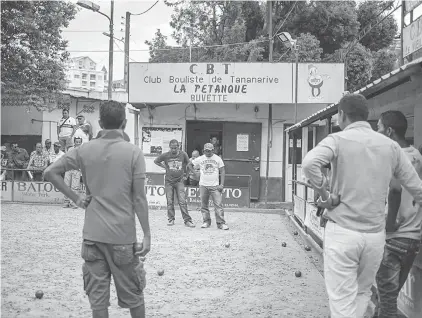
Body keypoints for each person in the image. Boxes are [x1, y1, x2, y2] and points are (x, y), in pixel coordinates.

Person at [301, 93, 422, 318]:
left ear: (341, 115)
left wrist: (324, 194)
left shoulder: (337, 140)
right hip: (375, 237)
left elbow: (309, 164)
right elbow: (417, 189)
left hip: (343, 232)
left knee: (341, 301)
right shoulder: (390, 146)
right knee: (362, 293)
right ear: (366, 116)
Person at [45, 100, 151, 318]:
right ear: (125, 121)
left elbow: (50, 173)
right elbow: (139, 198)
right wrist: (147, 235)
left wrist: (76, 198)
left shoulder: (84, 150)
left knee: (98, 302)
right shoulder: (133, 152)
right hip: (123, 237)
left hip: (92, 238)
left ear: (101, 122)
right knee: (134, 297)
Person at [375, 110, 422, 318]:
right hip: (412, 239)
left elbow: (395, 190)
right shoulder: (417, 156)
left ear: (390, 131)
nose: (377, 131)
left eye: (378, 127)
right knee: (388, 298)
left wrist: (390, 223)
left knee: (387, 303)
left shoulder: (393, 155)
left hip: (393, 238)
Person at [154, 140, 195, 227]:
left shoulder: (183, 154)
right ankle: (171, 219)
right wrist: (164, 166)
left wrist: (187, 175)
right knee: (170, 201)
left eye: (175, 148)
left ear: (178, 147)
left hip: (179, 181)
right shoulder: (165, 155)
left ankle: (187, 220)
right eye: (172, 148)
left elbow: (189, 164)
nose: (173, 150)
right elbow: (156, 161)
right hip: (169, 181)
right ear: (169, 147)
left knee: (182, 201)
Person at [188, 143, 229, 230]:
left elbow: (223, 171)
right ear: (203, 151)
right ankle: (206, 221)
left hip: (215, 186)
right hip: (203, 185)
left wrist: (221, 184)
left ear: (213, 150)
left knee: (218, 205)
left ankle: (221, 223)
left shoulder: (218, 159)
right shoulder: (200, 158)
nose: (208, 152)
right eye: (206, 151)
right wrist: (195, 173)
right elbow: (189, 165)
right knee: (204, 205)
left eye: (209, 151)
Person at [62, 137, 83, 209]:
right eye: (76, 142)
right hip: (68, 169)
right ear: (74, 142)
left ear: (81, 143)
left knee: (75, 187)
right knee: (66, 185)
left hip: (76, 170)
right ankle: (66, 202)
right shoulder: (70, 149)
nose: (78, 143)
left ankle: (73, 203)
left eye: (79, 142)